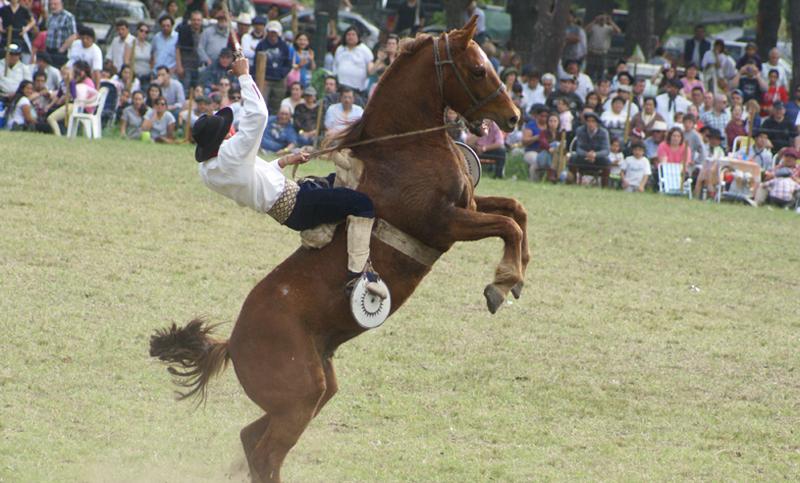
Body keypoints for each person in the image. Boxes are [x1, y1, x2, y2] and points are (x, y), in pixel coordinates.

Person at [193, 55, 386, 298]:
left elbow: (254, 178)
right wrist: (244, 75)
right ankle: (359, 275)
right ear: (222, 139)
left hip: (293, 203)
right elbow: (259, 115)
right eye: (226, 129)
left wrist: (284, 161)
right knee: (363, 204)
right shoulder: (230, 156)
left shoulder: (210, 169)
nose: (231, 129)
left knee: (335, 180)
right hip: (298, 204)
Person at [46, 61, 97, 136]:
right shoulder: (65, 83)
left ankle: (58, 135)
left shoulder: (75, 83)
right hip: (72, 105)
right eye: (62, 74)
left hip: (77, 106)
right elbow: (59, 95)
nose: (64, 76)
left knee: (52, 118)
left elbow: (74, 96)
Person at [254, 20, 292, 113]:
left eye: (275, 32)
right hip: (265, 80)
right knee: (262, 103)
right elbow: (256, 63)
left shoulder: (284, 46)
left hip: (279, 80)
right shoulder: (261, 45)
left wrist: (282, 74)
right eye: (271, 32)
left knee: (277, 105)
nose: (273, 34)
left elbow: (288, 63)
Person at [569, 111, 610, 187]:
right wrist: (587, 154)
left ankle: (605, 186)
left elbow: (606, 150)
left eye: (593, 121)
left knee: (606, 161)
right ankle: (573, 182)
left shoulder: (604, 132)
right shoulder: (580, 130)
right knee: (573, 158)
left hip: (597, 159)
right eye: (588, 121)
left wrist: (595, 154)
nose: (590, 123)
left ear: (597, 123)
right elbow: (578, 148)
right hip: (584, 157)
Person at [333, 26, 373, 95]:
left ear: (358, 36)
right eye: (348, 34)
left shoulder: (365, 50)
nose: (350, 37)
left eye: (353, 34)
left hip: (358, 89)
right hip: (341, 87)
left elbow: (370, 69)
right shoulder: (340, 49)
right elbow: (335, 65)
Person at [584, 13, 621, 80]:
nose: (602, 20)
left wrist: (610, 21)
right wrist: (594, 21)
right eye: (601, 18)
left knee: (601, 72)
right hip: (592, 52)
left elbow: (618, 31)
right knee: (589, 71)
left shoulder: (608, 28)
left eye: (603, 19)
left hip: (603, 53)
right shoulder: (594, 27)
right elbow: (585, 30)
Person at [175, 10, 204, 90]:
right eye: (194, 20)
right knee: (185, 88)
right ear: (190, 21)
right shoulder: (184, 31)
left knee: (198, 88)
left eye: (198, 20)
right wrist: (179, 66)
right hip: (186, 66)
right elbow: (177, 48)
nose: (196, 22)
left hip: (200, 66)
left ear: (201, 21)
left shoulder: (204, 32)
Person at [43, 0, 76, 67]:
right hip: (48, 50)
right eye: (51, 4)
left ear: (61, 4)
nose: (53, 6)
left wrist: (62, 49)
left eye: (55, 4)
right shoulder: (50, 17)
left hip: (59, 52)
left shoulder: (68, 17)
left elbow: (73, 35)